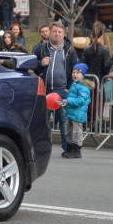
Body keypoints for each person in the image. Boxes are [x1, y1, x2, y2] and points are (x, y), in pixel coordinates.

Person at [34, 23, 79, 153]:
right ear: (50, 33)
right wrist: (40, 63)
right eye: (54, 32)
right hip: (45, 90)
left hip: (62, 91)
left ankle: (67, 148)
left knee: (64, 122)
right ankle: (42, 148)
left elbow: (76, 69)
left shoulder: (69, 50)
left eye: (59, 32)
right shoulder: (41, 48)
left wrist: (69, 87)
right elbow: (31, 65)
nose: (57, 34)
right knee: (43, 122)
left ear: (63, 34)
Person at [60, 63, 92, 159]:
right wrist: (63, 101)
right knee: (68, 130)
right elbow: (70, 98)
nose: (74, 74)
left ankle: (76, 150)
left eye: (77, 73)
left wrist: (68, 100)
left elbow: (81, 101)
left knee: (77, 132)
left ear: (82, 74)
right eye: (73, 72)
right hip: (71, 112)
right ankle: (69, 148)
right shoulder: (74, 85)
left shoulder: (83, 87)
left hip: (78, 113)